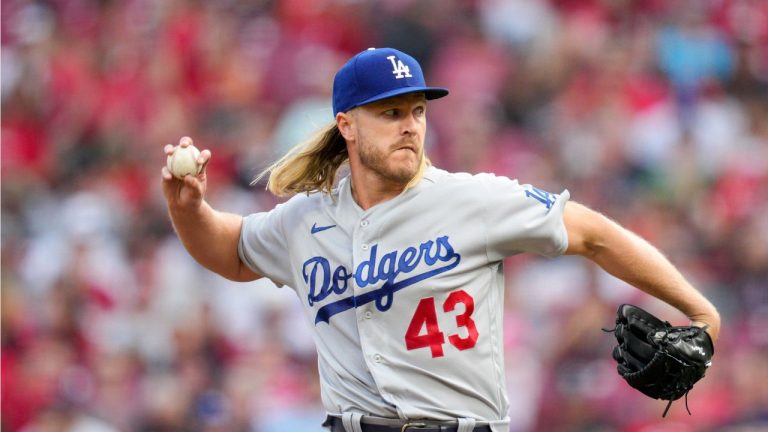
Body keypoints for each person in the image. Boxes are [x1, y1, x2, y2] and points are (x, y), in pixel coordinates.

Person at [161, 47, 720, 432]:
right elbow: (231, 251)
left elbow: (594, 234)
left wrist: (699, 310)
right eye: (391, 112)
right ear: (347, 125)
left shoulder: (471, 199)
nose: (411, 124)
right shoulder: (305, 220)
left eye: (418, 111)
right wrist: (189, 210)